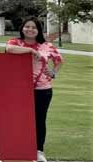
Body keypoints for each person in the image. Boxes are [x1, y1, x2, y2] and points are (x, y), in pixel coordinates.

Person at [5, 18, 63, 162]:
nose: (30, 29)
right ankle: (19, 147)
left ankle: (39, 150)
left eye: (34, 27)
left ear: (39, 30)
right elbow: (9, 50)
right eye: (27, 26)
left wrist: (53, 72)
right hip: (19, 89)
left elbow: (59, 60)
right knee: (18, 118)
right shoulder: (15, 42)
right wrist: (31, 50)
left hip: (43, 89)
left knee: (39, 120)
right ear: (22, 28)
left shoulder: (46, 46)